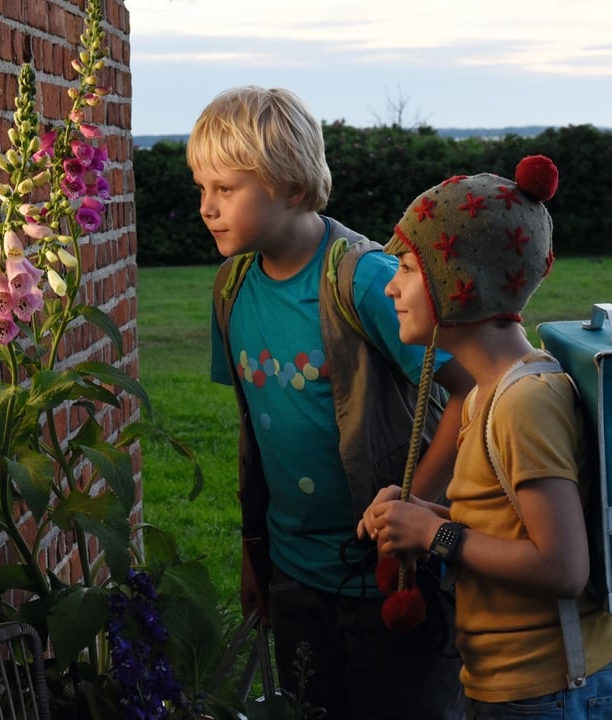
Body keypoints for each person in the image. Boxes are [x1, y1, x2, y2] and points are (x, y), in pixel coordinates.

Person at [188, 85, 472, 720]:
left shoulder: (365, 279)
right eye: (200, 187)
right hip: (292, 576)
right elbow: (256, 438)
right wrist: (252, 552)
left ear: (290, 187)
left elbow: (474, 388)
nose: (206, 207)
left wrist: (413, 512)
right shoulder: (231, 288)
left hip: (390, 579)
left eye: (225, 188)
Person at [359, 155, 612, 719]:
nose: (391, 288)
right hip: (512, 685)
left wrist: (435, 534)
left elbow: (562, 567)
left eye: (408, 269)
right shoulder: (485, 393)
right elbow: (500, 520)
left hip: (552, 690)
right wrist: (413, 514)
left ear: (462, 285)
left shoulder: (523, 403)